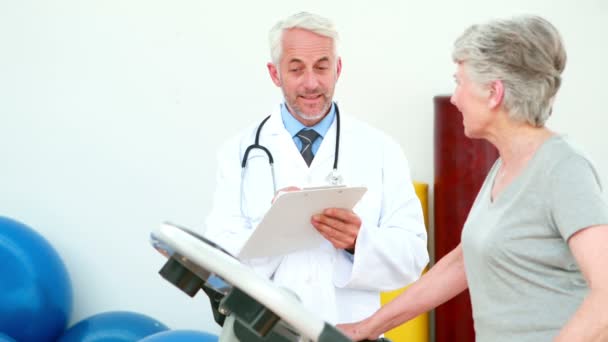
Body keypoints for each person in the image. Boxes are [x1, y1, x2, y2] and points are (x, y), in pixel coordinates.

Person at [338, 15, 608, 342]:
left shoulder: (565, 168)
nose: (455, 98)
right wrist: (366, 328)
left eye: (459, 81)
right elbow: (464, 262)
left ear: (494, 93)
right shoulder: (505, 166)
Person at [203, 11, 428, 325]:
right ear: (274, 73)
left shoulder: (381, 149)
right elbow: (218, 263)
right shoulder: (237, 152)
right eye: (296, 69)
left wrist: (357, 242)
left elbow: (414, 257)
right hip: (264, 331)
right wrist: (273, 227)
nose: (311, 83)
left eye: (322, 67)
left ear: (337, 69)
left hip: (347, 329)